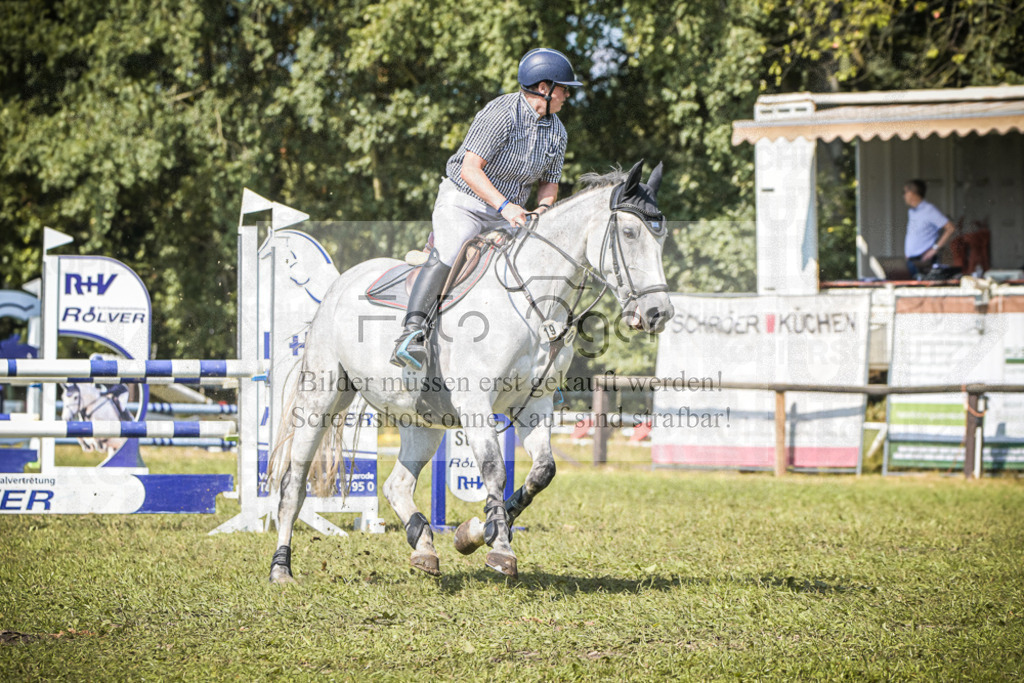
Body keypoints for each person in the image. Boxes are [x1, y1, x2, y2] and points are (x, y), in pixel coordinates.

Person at [391, 48, 582, 369]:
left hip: (511, 212)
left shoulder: (559, 131)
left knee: (538, 262)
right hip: (464, 201)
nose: (566, 95)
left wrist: (544, 209)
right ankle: (411, 334)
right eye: (563, 88)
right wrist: (506, 206)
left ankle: (541, 356)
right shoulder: (501, 113)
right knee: (450, 251)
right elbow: (470, 169)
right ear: (543, 88)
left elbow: (550, 182)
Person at [902, 179, 956, 279]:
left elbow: (950, 228)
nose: (903, 196)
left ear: (912, 193)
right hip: (911, 260)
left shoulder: (929, 210)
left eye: (905, 192)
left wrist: (934, 249)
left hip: (925, 260)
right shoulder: (912, 211)